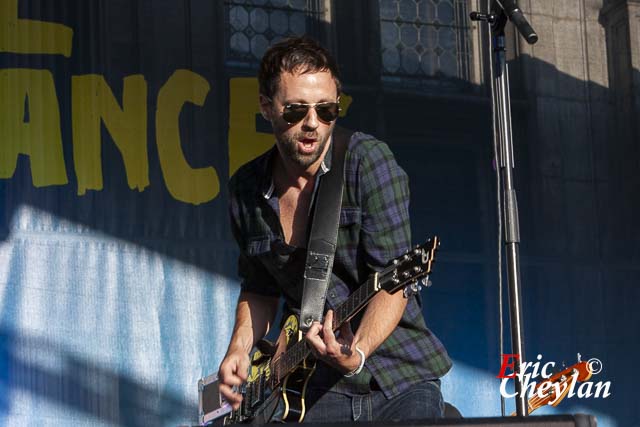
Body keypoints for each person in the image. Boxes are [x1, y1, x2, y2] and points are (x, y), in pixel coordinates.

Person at [218, 36, 452, 423]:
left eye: (326, 110)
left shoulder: (367, 163)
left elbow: (394, 281)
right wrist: (238, 351)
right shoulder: (247, 188)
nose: (312, 123)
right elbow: (259, 287)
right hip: (308, 386)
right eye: (295, 110)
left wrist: (356, 352)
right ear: (266, 107)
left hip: (395, 376)